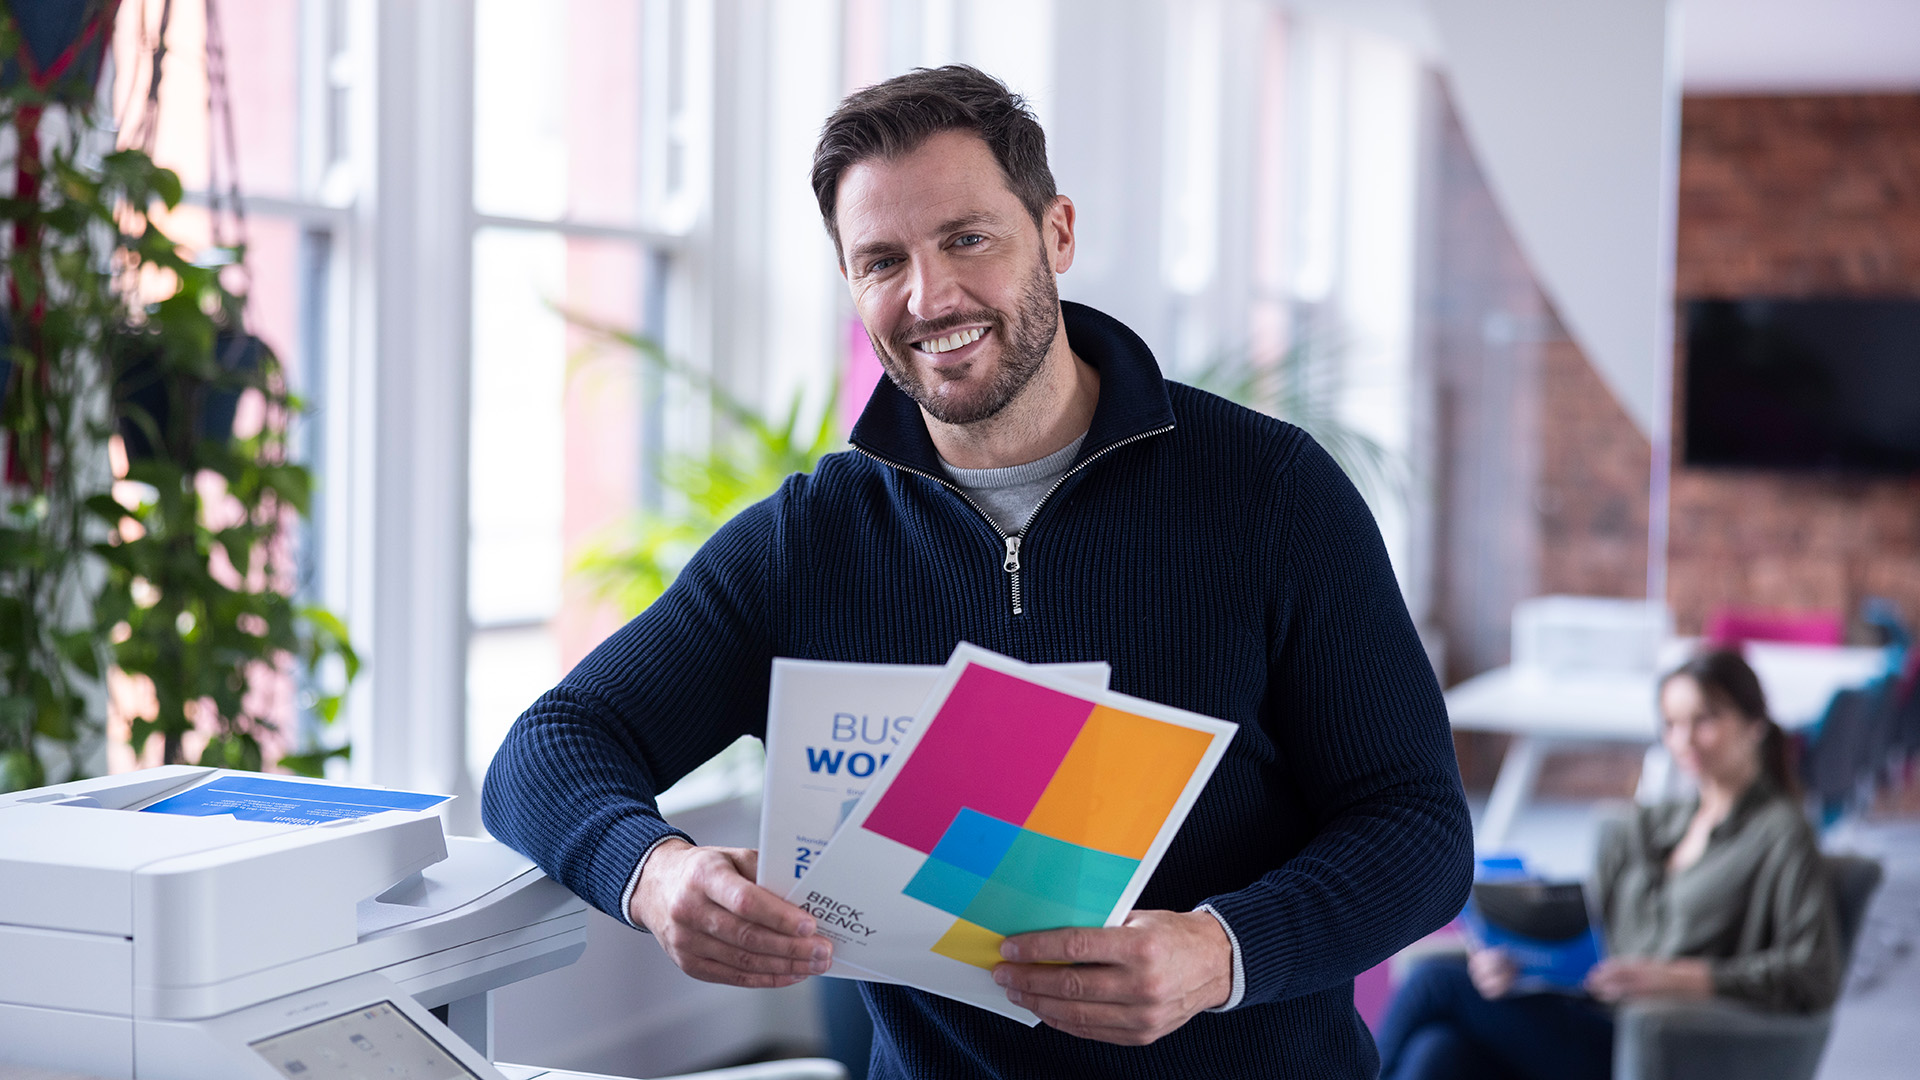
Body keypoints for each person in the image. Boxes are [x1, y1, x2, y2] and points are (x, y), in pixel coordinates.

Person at [482, 64, 1473, 1079]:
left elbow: (1419, 829)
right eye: (881, 261)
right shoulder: (810, 540)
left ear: (1057, 234)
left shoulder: (1273, 494)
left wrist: (1220, 952)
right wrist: (655, 875)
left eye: (967, 238)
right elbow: (550, 748)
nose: (930, 296)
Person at [1375, 649, 1843, 1080]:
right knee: (1435, 1055)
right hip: (1587, 1012)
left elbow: (1811, 974)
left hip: (1658, 1039)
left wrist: (1681, 978)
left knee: (1432, 984)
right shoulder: (1653, 826)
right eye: (1672, 724)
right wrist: (1522, 964)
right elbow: (1593, 934)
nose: (1684, 741)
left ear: (1754, 725)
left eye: (1705, 720)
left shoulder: (1781, 834)